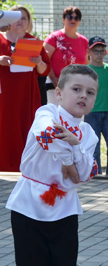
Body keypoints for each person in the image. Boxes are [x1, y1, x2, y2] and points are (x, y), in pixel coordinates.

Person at [6, 64, 100, 266]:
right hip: (28, 205)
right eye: (76, 89)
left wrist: (74, 150)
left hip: (63, 209)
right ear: (59, 93)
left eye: (90, 92)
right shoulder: (46, 114)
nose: (82, 96)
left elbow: (84, 175)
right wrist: (72, 153)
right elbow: (48, 138)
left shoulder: (87, 133)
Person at [0, 5, 50, 172]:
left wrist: (39, 62)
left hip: (26, 95)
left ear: (29, 22)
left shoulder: (34, 42)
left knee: (26, 127)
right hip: (4, 95)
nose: (20, 21)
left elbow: (44, 71)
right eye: (16, 17)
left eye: (24, 18)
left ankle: (26, 166)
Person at [85, 36, 108, 176]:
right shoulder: (86, 71)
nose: (99, 54)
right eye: (96, 51)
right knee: (94, 147)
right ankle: (96, 174)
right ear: (89, 52)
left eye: (101, 51)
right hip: (91, 113)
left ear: (105, 52)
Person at [43, 6, 89, 104]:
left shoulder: (84, 41)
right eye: (69, 17)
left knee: (75, 116)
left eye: (76, 18)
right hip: (55, 86)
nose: (73, 20)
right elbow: (45, 60)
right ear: (63, 19)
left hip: (77, 87)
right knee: (56, 116)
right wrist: (53, 78)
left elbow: (87, 64)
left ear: (79, 21)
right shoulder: (53, 38)